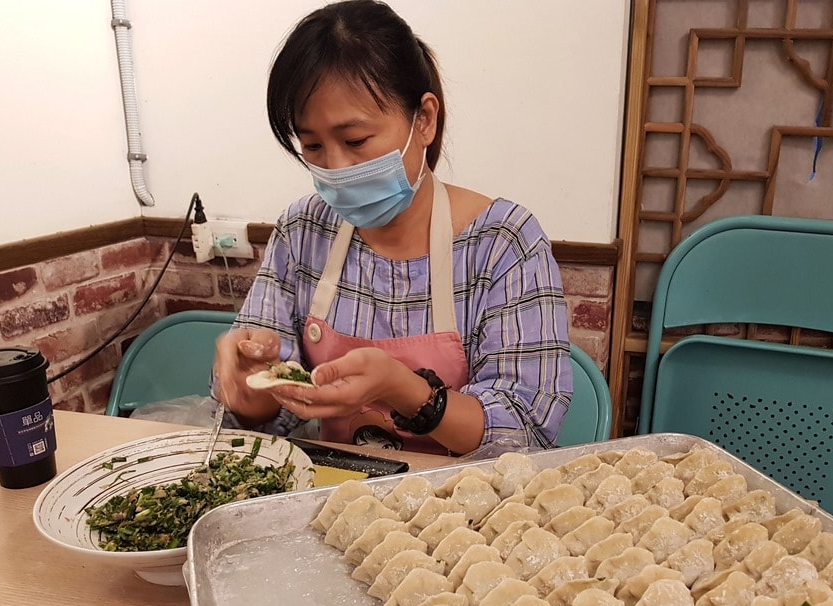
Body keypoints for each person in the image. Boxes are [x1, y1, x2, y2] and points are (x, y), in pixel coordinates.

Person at [213, 0, 572, 455]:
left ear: (423, 119)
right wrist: (251, 393)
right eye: (313, 146)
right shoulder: (302, 232)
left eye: (355, 140)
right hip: (334, 498)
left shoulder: (503, 244)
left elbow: (523, 433)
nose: (336, 167)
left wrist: (405, 391)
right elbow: (269, 414)